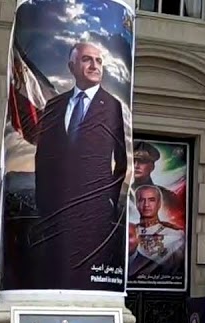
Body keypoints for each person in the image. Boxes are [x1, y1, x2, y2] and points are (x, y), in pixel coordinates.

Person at [21, 40, 126, 292]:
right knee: (53, 275)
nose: (94, 65)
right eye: (87, 59)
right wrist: (43, 200)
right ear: (71, 66)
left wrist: (109, 200)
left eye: (99, 61)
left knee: (86, 280)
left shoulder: (112, 106)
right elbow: (43, 157)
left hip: (94, 213)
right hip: (55, 212)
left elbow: (122, 160)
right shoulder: (55, 105)